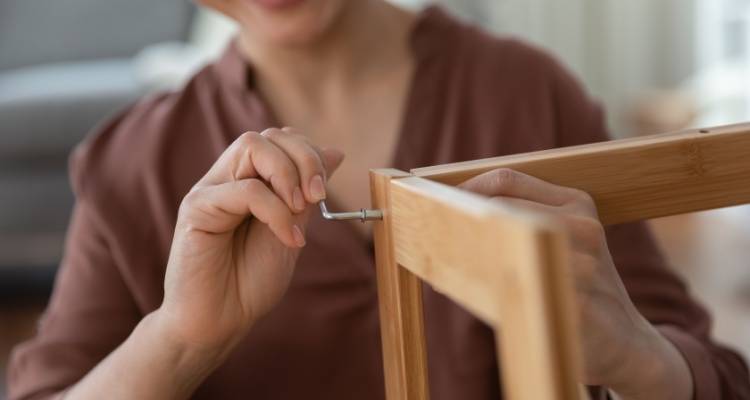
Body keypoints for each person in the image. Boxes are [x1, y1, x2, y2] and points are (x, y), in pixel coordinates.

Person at [8, 0, 750, 399]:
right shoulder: (127, 162)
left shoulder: (527, 92)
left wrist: (635, 355)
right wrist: (177, 340)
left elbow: (711, 377)